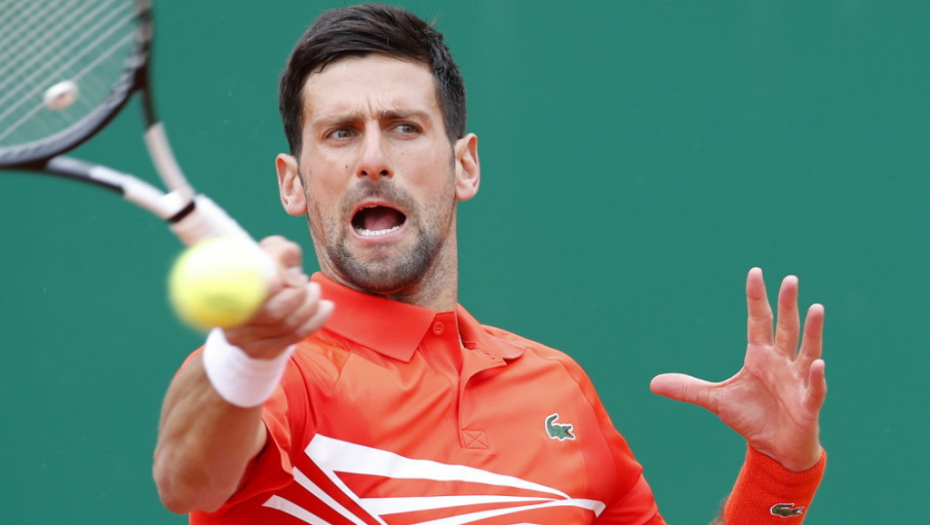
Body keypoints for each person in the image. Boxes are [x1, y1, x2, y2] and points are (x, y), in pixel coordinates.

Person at [153, 4, 827, 524]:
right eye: (340, 133)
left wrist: (780, 470)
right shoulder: (277, 369)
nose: (372, 159)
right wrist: (245, 354)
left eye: (404, 127)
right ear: (292, 182)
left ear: (465, 165)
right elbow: (188, 479)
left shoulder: (557, 389)